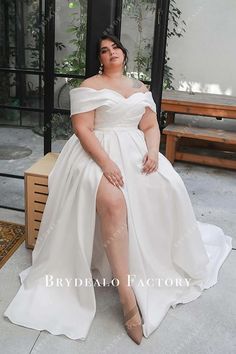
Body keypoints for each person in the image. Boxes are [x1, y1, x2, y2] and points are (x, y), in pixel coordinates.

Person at [3, 34, 232, 345]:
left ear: (124, 53)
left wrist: (153, 152)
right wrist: (107, 163)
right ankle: (127, 297)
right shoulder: (89, 86)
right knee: (114, 201)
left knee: (169, 184)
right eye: (103, 50)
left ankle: (153, 255)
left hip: (136, 150)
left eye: (115, 48)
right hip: (94, 151)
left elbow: (150, 126)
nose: (110, 53)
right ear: (100, 58)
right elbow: (82, 128)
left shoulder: (139, 88)